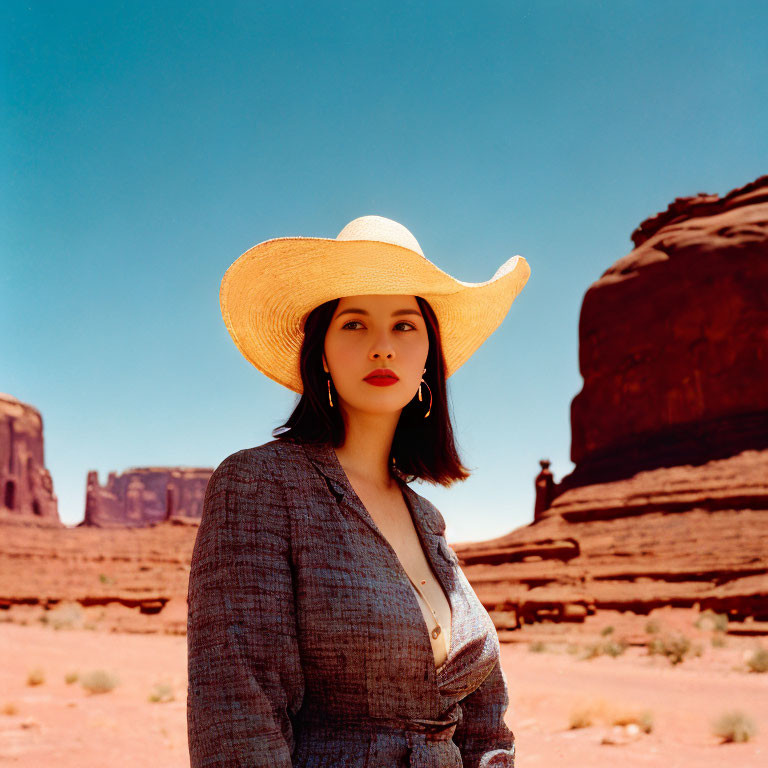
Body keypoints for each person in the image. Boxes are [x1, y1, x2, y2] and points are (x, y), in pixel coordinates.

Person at [186, 215, 531, 768]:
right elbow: (238, 714)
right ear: (319, 352)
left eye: (404, 326)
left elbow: (485, 723)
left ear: (427, 359)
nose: (381, 347)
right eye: (353, 325)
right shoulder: (261, 487)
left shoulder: (428, 520)